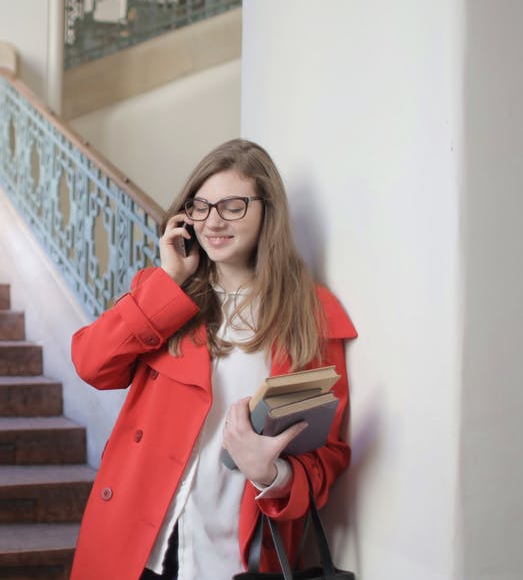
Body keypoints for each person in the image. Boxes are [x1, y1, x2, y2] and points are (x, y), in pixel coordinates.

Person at [68, 139, 357, 580]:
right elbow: (92, 363)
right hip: (138, 544)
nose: (213, 222)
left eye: (232, 206)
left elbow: (327, 455)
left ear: (268, 211)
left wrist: (272, 473)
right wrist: (169, 279)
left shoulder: (308, 314)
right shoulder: (163, 293)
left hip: (235, 557)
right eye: (200, 207)